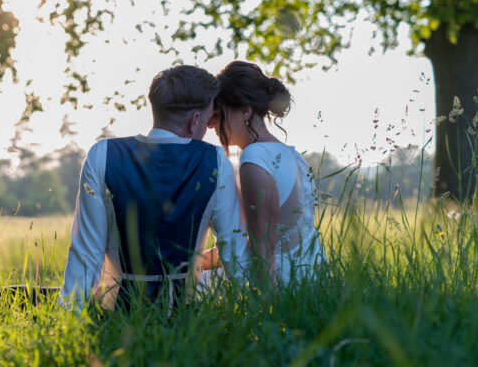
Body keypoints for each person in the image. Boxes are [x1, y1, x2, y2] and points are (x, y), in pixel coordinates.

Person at [59, 65, 249, 311]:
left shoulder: (102, 154)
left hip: (115, 311)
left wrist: (69, 316)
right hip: (183, 313)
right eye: (208, 118)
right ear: (194, 121)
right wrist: (250, 309)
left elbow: (86, 252)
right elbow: (233, 250)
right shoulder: (215, 160)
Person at [201, 61, 325, 288]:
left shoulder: (254, 160)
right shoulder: (292, 155)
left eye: (218, 114)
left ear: (245, 111)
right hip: (313, 275)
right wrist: (195, 262)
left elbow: (263, 255)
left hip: (283, 285)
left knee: (195, 286)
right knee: (200, 277)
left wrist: (269, 312)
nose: (211, 125)